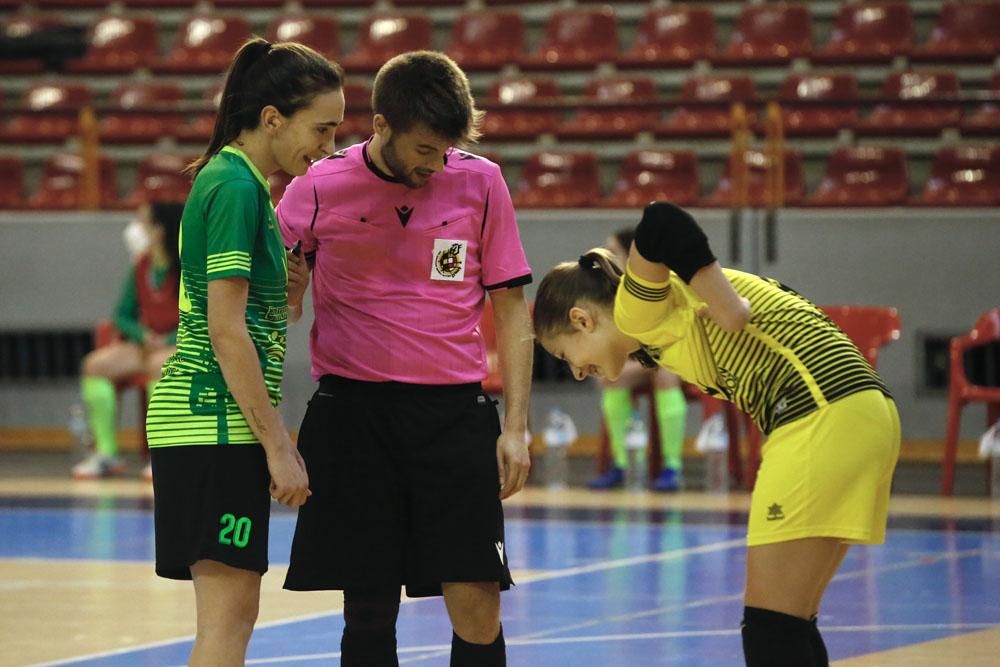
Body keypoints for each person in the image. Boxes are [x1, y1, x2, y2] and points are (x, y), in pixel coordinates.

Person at [532, 202, 900, 667]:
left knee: (772, 629)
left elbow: (661, 219)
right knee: (790, 622)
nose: (577, 372)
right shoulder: (652, 323)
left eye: (566, 355)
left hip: (821, 413)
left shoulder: (633, 309)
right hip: (860, 411)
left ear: (582, 320)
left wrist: (729, 306)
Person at [277, 51, 533, 667]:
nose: (435, 162)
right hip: (353, 413)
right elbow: (269, 293)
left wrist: (517, 426)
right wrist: (291, 283)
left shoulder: (482, 181)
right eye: (423, 148)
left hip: (453, 415)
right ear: (381, 124)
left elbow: (513, 309)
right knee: (367, 605)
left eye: (445, 148)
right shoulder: (316, 185)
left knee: (476, 596)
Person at [143, 38, 345, 667]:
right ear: (271, 118)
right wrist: (279, 446)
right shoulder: (231, 186)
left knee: (234, 615)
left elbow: (247, 320)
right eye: (322, 128)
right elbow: (224, 332)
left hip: (211, 426)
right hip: (210, 423)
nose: (329, 146)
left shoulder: (246, 185)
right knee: (227, 621)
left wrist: (287, 292)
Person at [72, 200, 183, 480]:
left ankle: (163, 455)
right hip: (146, 344)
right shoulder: (141, 266)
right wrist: (141, 335)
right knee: (95, 365)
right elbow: (122, 314)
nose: (136, 228)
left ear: (160, 229)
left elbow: (203, 316)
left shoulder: (188, 264)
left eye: (143, 222)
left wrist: (169, 338)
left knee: (161, 366)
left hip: (181, 344)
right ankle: (106, 454)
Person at [588, 226, 687, 492]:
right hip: (643, 361)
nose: (605, 257)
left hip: (676, 359)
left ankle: (672, 468)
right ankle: (626, 465)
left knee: (665, 374)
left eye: (612, 252)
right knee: (612, 378)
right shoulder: (608, 292)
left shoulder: (657, 284)